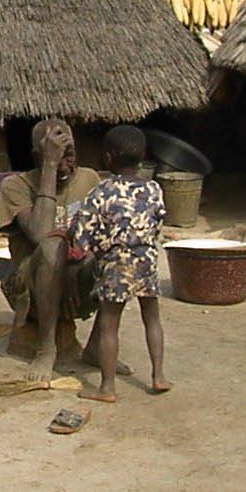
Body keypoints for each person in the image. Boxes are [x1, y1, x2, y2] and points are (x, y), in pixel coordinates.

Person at [0, 117, 104, 382]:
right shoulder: (15, 186)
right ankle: (46, 348)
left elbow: (100, 235)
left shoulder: (89, 179)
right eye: (57, 154)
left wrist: (82, 262)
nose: (65, 161)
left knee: (123, 255)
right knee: (51, 244)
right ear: (38, 155)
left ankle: (96, 346)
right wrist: (50, 168)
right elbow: (40, 234)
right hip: (30, 287)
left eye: (69, 153)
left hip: (75, 280)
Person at [70, 124, 170, 402]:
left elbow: (82, 233)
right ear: (143, 157)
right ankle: (158, 375)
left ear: (108, 157)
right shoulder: (153, 188)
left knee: (109, 325)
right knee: (152, 318)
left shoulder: (102, 191)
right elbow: (158, 221)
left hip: (116, 263)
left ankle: (107, 387)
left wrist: (85, 248)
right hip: (146, 260)